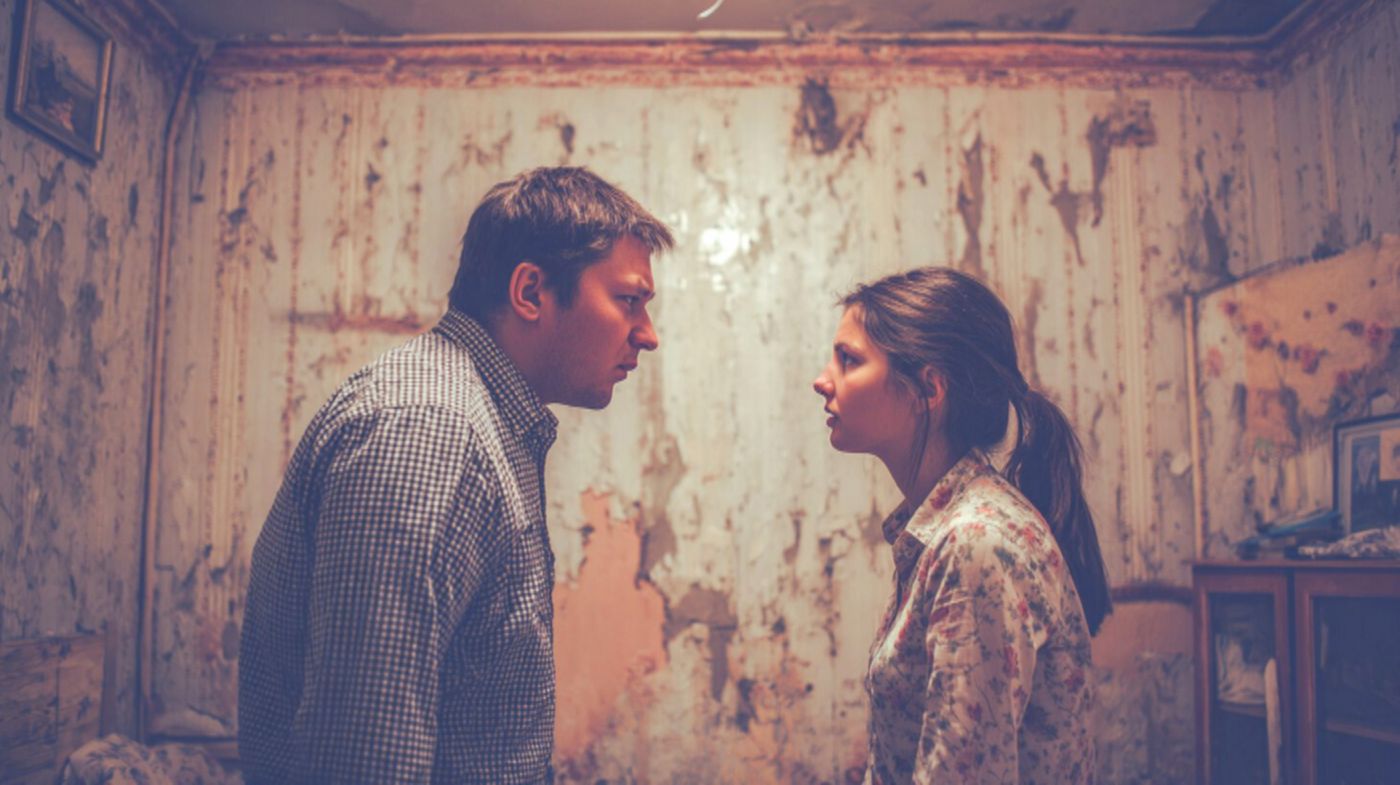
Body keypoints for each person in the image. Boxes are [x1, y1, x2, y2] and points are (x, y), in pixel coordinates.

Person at [238, 166, 673, 784]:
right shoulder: (431, 430)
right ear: (531, 292)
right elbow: (364, 761)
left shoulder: (479, 418)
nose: (648, 335)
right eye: (629, 300)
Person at [812, 267, 1111, 784]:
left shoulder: (977, 544)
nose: (823, 379)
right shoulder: (944, 531)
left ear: (928, 389)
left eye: (849, 360)